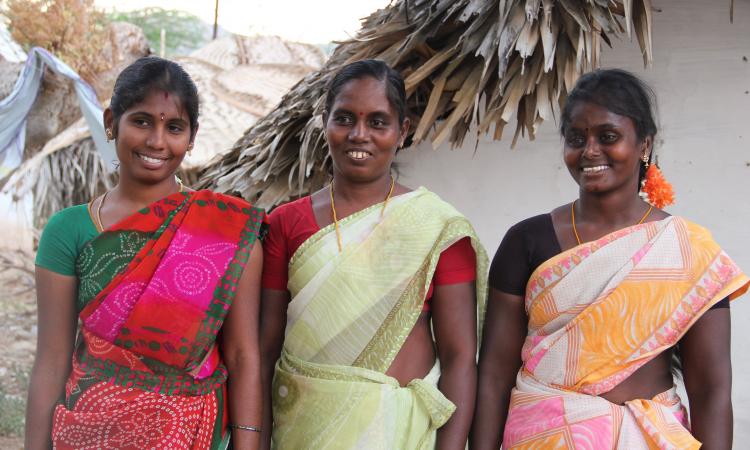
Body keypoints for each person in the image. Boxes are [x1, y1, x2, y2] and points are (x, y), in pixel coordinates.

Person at [471, 69, 749, 449]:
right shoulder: (526, 241)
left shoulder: (688, 251)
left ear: (644, 144)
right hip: (540, 438)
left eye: (608, 136)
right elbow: (494, 374)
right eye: (576, 138)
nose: (589, 151)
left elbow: (712, 388)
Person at [26, 56, 265, 450]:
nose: (156, 142)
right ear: (110, 122)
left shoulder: (225, 233)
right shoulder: (68, 230)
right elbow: (51, 358)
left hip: (193, 434)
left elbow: (242, 356)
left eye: (174, 127)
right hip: (92, 430)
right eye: (141, 121)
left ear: (192, 136)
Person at [259, 59, 488, 449]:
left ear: (402, 131)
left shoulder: (437, 228)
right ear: (325, 124)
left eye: (378, 122)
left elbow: (461, 359)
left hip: (398, 434)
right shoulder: (284, 224)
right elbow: (264, 353)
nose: (359, 134)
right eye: (344, 119)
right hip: (301, 431)